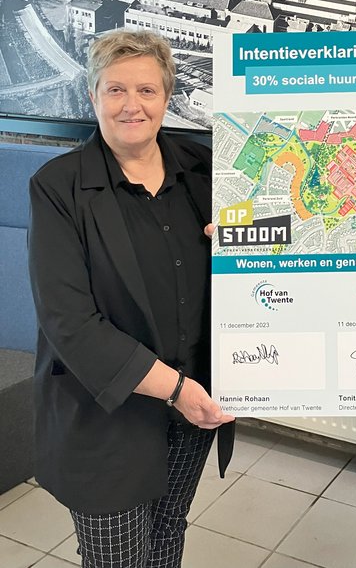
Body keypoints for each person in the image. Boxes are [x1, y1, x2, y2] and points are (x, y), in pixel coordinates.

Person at [28, 30, 235, 568]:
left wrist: (244, 246)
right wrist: (176, 390)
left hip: (194, 405)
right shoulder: (58, 187)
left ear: (166, 96)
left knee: (167, 534)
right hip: (108, 412)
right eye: (115, 90)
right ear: (92, 96)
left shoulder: (206, 171)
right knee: (118, 558)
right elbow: (69, 321)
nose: (131, 105)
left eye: (146, 90)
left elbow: (284, 247)